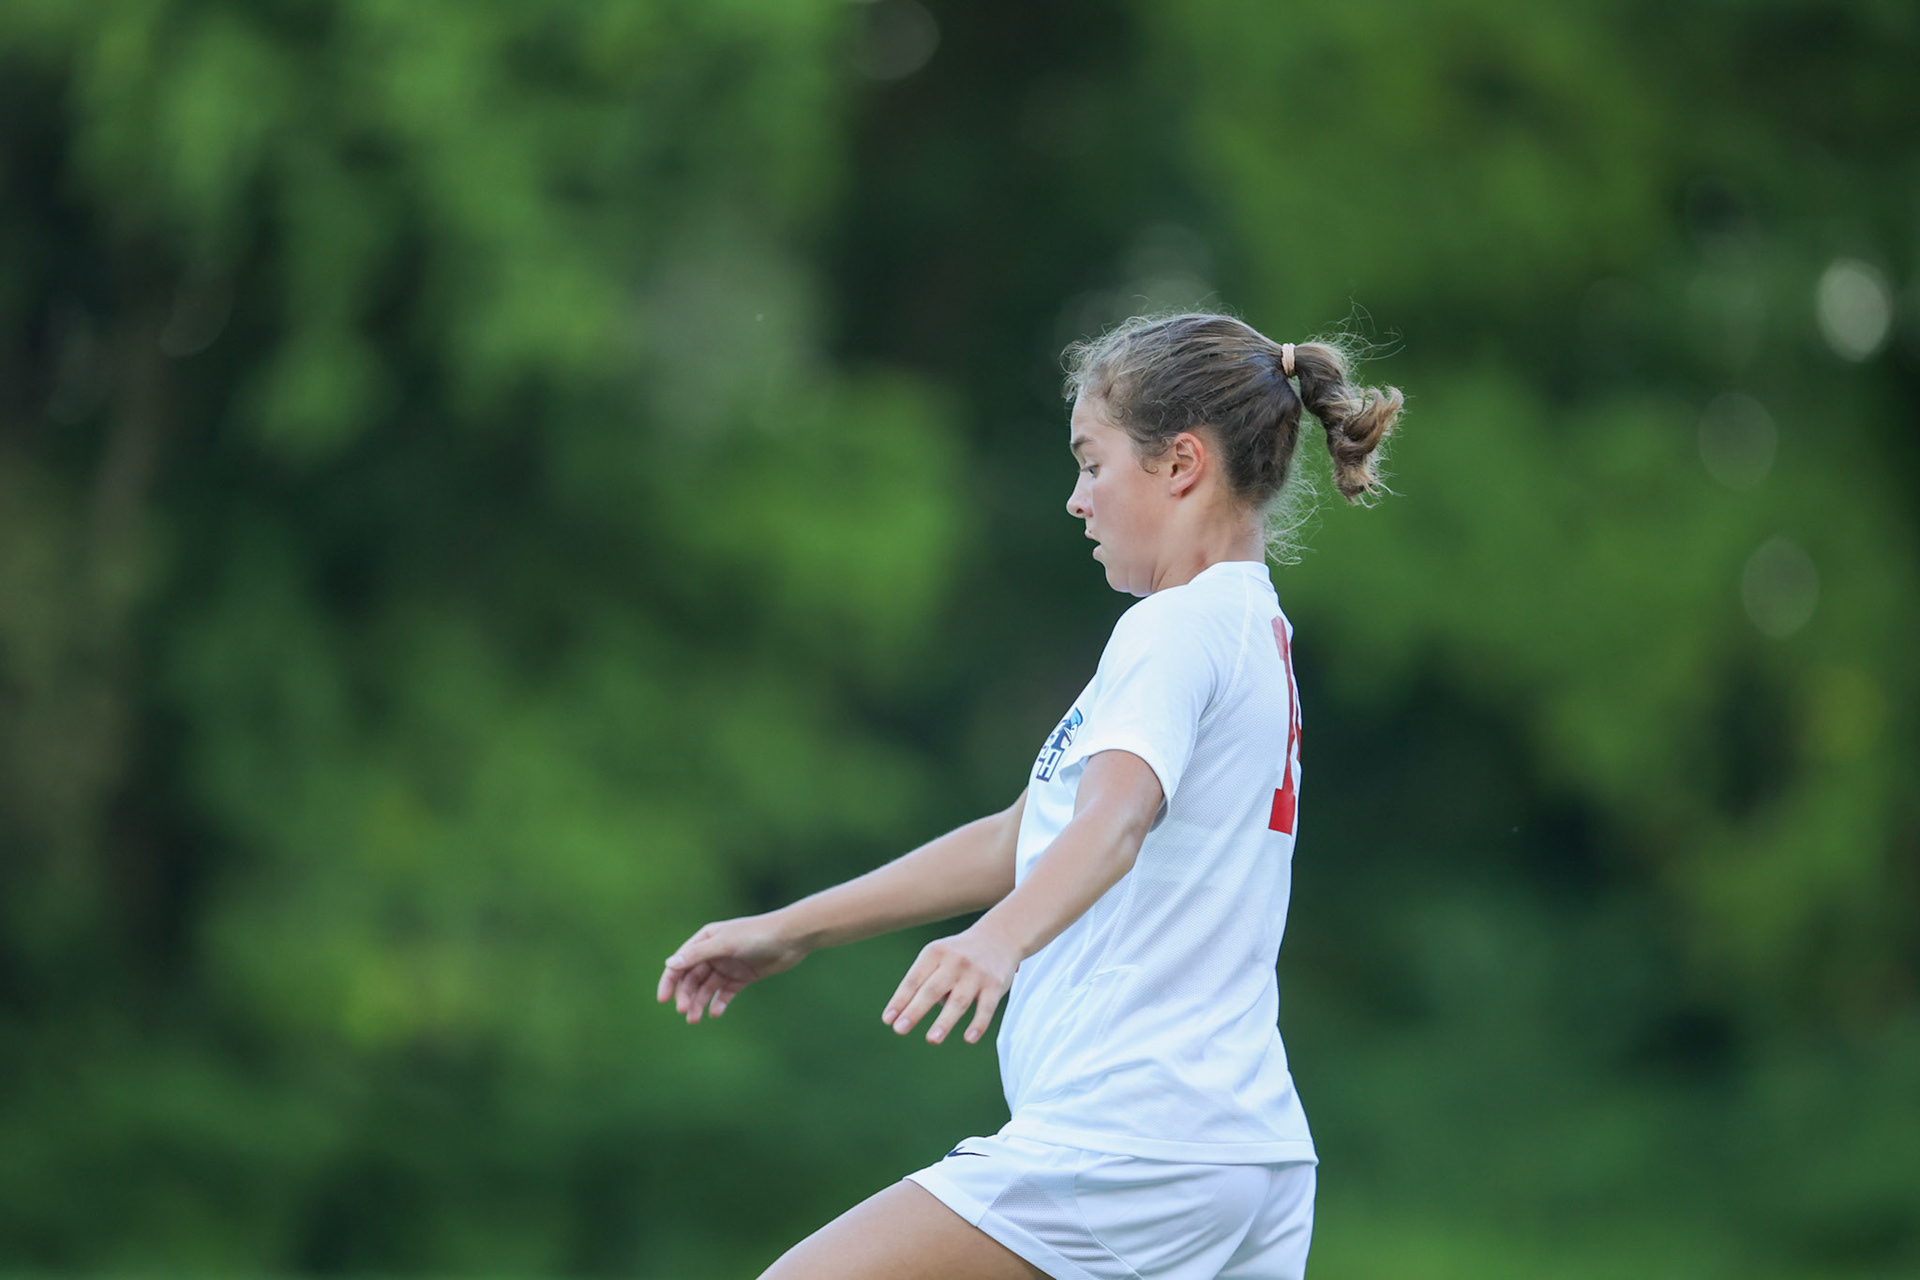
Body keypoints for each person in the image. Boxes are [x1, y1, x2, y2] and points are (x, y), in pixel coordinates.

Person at [657, 312, 1405, 1280]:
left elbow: (1115, 819)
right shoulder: (1247, 625)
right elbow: (1028, 832)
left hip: (1133, 1138)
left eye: (1092, 464)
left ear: (1180, 463)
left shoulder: (1170, 629)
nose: (1077, 499)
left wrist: (998, 937)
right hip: (1247, 1153)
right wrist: (794, 928)